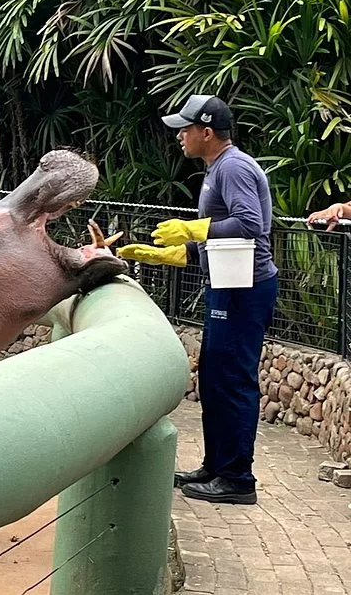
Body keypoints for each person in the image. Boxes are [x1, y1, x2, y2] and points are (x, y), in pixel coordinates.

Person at [117, 95, 278, 505]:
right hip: (227, 282)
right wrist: (167, 253)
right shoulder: (216, 169)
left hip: (245, 289)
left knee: (233, 380)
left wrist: (191, 228)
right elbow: (219, 236)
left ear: (207, 132)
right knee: (214, 376)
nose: (179, 137)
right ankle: (217, 465)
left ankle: (238, 479)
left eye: (185, 129)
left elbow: (250, 225)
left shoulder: (234, 166)